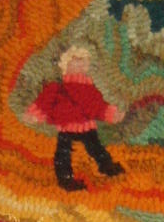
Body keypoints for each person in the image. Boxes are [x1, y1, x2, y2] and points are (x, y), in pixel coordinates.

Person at [26, 46, 126, 191]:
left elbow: (98, 106)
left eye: (83, 62)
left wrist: (112, 114)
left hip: (86, 125)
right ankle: (66, 178)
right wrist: (34, 114)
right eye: (75, 62)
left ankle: (105, 166)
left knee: (95, 148)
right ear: (65, 66)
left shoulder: (90, 89)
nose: (79, 66)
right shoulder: (58, 88)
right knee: (64, 153)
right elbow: (46, 101)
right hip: (67, 126)